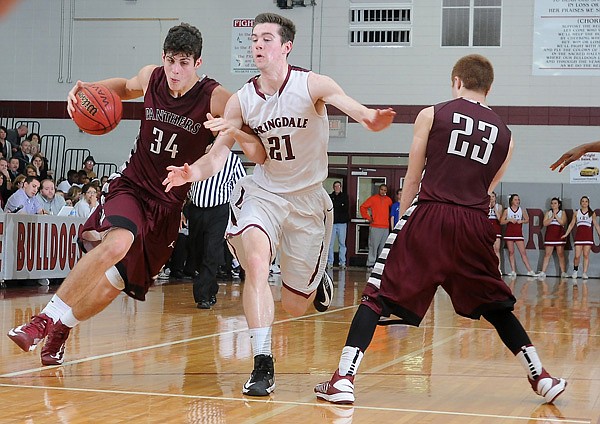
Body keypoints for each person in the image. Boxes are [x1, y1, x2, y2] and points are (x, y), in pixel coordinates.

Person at [163, 12, 395, 397]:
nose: (257, 44)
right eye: (254, 39)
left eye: (266, 39)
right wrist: (193, 173)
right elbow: (219, 154)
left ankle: (314, 280)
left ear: (286, 47)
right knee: (255, 262)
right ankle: (262, 363)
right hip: (265, 192)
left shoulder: (311, 84)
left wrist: (371, 118)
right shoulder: (242, 99)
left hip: (307, 201)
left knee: (294, 306)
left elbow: (354, 109)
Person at [314, 54, 566, 405]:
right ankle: (541, 376)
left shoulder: (433, 114)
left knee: (377, 295)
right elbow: (488, 190)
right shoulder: (508, 137)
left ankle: (343, 378)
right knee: (496, 306)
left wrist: (406, 217)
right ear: (489, 88)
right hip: (475, 222)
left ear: (456, 81)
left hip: (431, 214)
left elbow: (413, 175)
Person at [6, 23, 264, 366]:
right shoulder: (152, 77)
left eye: (184, 62)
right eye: (171, 60)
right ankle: (41, 322)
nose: (175, 70)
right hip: (133, 185)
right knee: (116, 243)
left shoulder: (216, 98)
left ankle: (61, 328)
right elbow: (123, 88)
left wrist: (204, 161)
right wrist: (86, 91)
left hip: (169, 205)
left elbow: (244, 137)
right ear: (163, 57)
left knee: (113, 284)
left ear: (198, 63)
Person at [188, 147, 246, 309]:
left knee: (211, 251)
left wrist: (239, 216)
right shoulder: (196, 154)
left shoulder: (233, 160)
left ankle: (203, 296)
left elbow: (242, 186)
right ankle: (211, 287)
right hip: (195, 209)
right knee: (197, 251)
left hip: (218, 210)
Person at [562, 195, 600, 279]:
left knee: (586, 255)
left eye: (586, 201)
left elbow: (596, 225)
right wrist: (566, 234)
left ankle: (584, 273)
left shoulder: (592, 213)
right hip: (579, 237)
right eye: (583, 201)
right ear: (580, 202)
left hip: (588, 237)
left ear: (588, 203)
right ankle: (575, 270)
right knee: (577, 256)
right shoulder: (576, 213)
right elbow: (572, 224)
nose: (584, 203)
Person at [500, 194, 537, 277]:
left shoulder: (521, 210)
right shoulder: (507, 210)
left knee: (523, 252)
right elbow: (501, 221)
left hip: (518, 234)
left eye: (518, 199)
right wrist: (509, 220)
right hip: (509, 234)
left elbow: (527, 219)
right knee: (511, 252)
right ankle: (513, 271)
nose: (518, 201)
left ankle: (530, 270)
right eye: (516, 199)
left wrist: (522, 221)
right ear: (512, 201)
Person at [359, 184, 392, 269]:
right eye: (382, 190)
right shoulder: (373, 199)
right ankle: (370, 263)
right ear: (379, 189)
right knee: (373, 246)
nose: (383, 191)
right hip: (375, 226)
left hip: (385, 227)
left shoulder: (389, 200)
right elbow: (362, 207)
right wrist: (368, 218)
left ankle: (380, 265)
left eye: (385, 190)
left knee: (383, 247)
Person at [537, 197, 567, 279]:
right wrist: (551, 217)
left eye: (555, 203)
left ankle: (563, 272)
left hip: (559, 235)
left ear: (559, 204)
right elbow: (545, 223)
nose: (553, 205)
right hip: (550, 235)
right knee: (547, 254)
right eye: (552, 203)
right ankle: (543, 272)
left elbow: (562, 222)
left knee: (560, 254)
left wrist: (555, 216)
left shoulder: (562, 212)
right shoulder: (548, 212)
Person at [327, 180, 350, 270]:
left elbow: (345, 208)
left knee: (342, 243)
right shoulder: (330, 197)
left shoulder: (344, 196)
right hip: (332, 223)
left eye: (338, 186)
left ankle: (342, 262)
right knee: (330, 244)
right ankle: (330, 262)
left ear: (341, 187)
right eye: (335, 186)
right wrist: (339, 206)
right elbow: (329, 208)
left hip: (342, 223)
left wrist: (337, 206)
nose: (337, 188)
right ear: (333, 187)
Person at [488, 191, 504, 267]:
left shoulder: (499, 206)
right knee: (487, 250)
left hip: (496, 228)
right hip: (487, 228)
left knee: (496, 249)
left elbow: (499, 219)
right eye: (490, 197)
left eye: (493, 197)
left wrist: (494, 208)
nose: (491, 198)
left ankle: (498, 269)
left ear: (495, 197)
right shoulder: (485, 206)